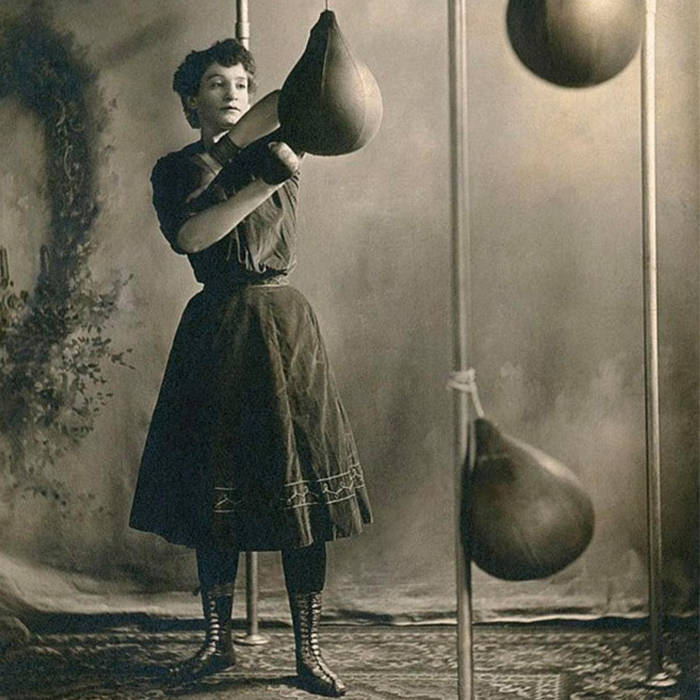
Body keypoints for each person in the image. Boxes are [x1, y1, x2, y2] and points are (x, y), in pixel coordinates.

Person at [129, 38, 372, 698]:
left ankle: (308, 652)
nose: (232, 92)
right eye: (215, 83)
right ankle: (217, 643)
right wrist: (263, 177)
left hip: (284, 329)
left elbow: (291, 101)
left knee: (301, 495)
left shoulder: (280, 147)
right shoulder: (178, 170)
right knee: (218, 492)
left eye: (241, 82)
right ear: (191, 103)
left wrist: (320, 60)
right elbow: (193, 236)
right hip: (218, 329)